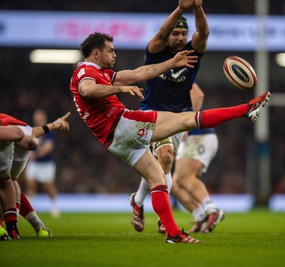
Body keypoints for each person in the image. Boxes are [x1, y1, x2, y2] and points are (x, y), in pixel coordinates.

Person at [69, 31, 270, 243]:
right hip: (122, 125)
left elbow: (141, 73)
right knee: (186, 119)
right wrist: (119, 89)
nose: (114, 54)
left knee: (157, 178)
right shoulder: (84, 72)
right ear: (95, 53)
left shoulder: (103, 73)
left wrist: (171, 62)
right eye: (110, 51)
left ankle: (173, 234)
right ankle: (245, 110)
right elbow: (87, 90)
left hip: (114, 140)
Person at [130, 0, 210, 234]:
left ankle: (137, 201)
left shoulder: (193, 53)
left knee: (162, 164)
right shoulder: (156, 51)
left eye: (183, 33)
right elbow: (162, 33)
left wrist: (197, 8)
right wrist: (181, 8)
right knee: (165, 156)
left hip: (179, 116)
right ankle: (164, 217)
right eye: (176, 33)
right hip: (151, 113)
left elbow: (203, 33)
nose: (179, 37)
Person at [0, 112, 70, 239]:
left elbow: (46, 145)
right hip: (24, 139)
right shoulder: (25, 126)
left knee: (7, 182)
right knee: (10, 181)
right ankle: (32, 226)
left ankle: (4, 226)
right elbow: (26, 133)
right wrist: (54, 125)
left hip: (42, 161)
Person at [171, 83, 224, 233]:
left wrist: (188, 124)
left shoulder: (175, 74)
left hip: (199, 135)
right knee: (175, 185)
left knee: (184, 177)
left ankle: (211, 209)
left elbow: (198, 94)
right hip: (190, 139)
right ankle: (200, 216)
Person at [25, 109, 61, 218]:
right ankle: (30, 209)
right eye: (36, 118)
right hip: (34, 164)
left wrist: (35, 154)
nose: (37, 120)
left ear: (44, 118)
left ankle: (54, 205)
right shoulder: (31, 131)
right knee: (31, 184)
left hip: (46, 164)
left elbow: (49, 147)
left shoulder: (49, 131)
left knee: (48, 186)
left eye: (39, 118)